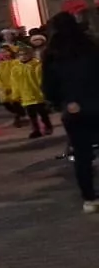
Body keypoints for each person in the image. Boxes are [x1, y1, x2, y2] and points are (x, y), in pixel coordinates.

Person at [41, 12, 99, 211]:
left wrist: (61, 103)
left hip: (73, 108)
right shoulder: (90, 46)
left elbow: (49, 86)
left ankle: (89, 198)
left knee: (82, 155)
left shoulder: (51, 53)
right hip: (96, 102)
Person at [13, 39, 55, 138]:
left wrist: (44, 91)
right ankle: (36, 130)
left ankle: (48, 126)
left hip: (37, 94)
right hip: (25, 95)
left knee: (42, 112)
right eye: (21, 55)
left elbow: (40, 79)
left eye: (25, 54)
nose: (23, 57)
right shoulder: (16, 68)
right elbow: (15, 83)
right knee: (31, 115)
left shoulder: (37, 65)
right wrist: (16, 94)